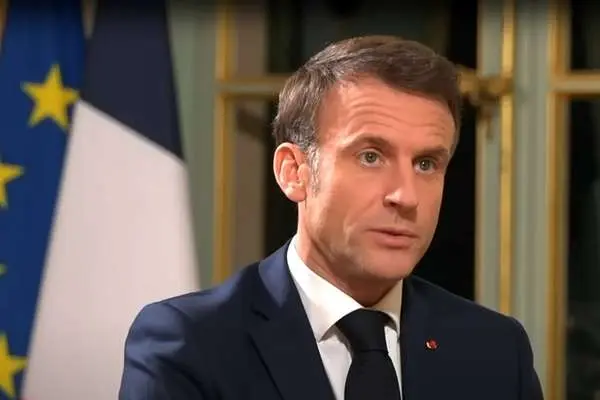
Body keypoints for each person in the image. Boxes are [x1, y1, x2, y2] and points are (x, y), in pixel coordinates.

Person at [118, 35, 544, 400]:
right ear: (294, 172)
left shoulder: (495, 351)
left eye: (426, 164)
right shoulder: (192, 345)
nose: (405, 196)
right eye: (371, 156)